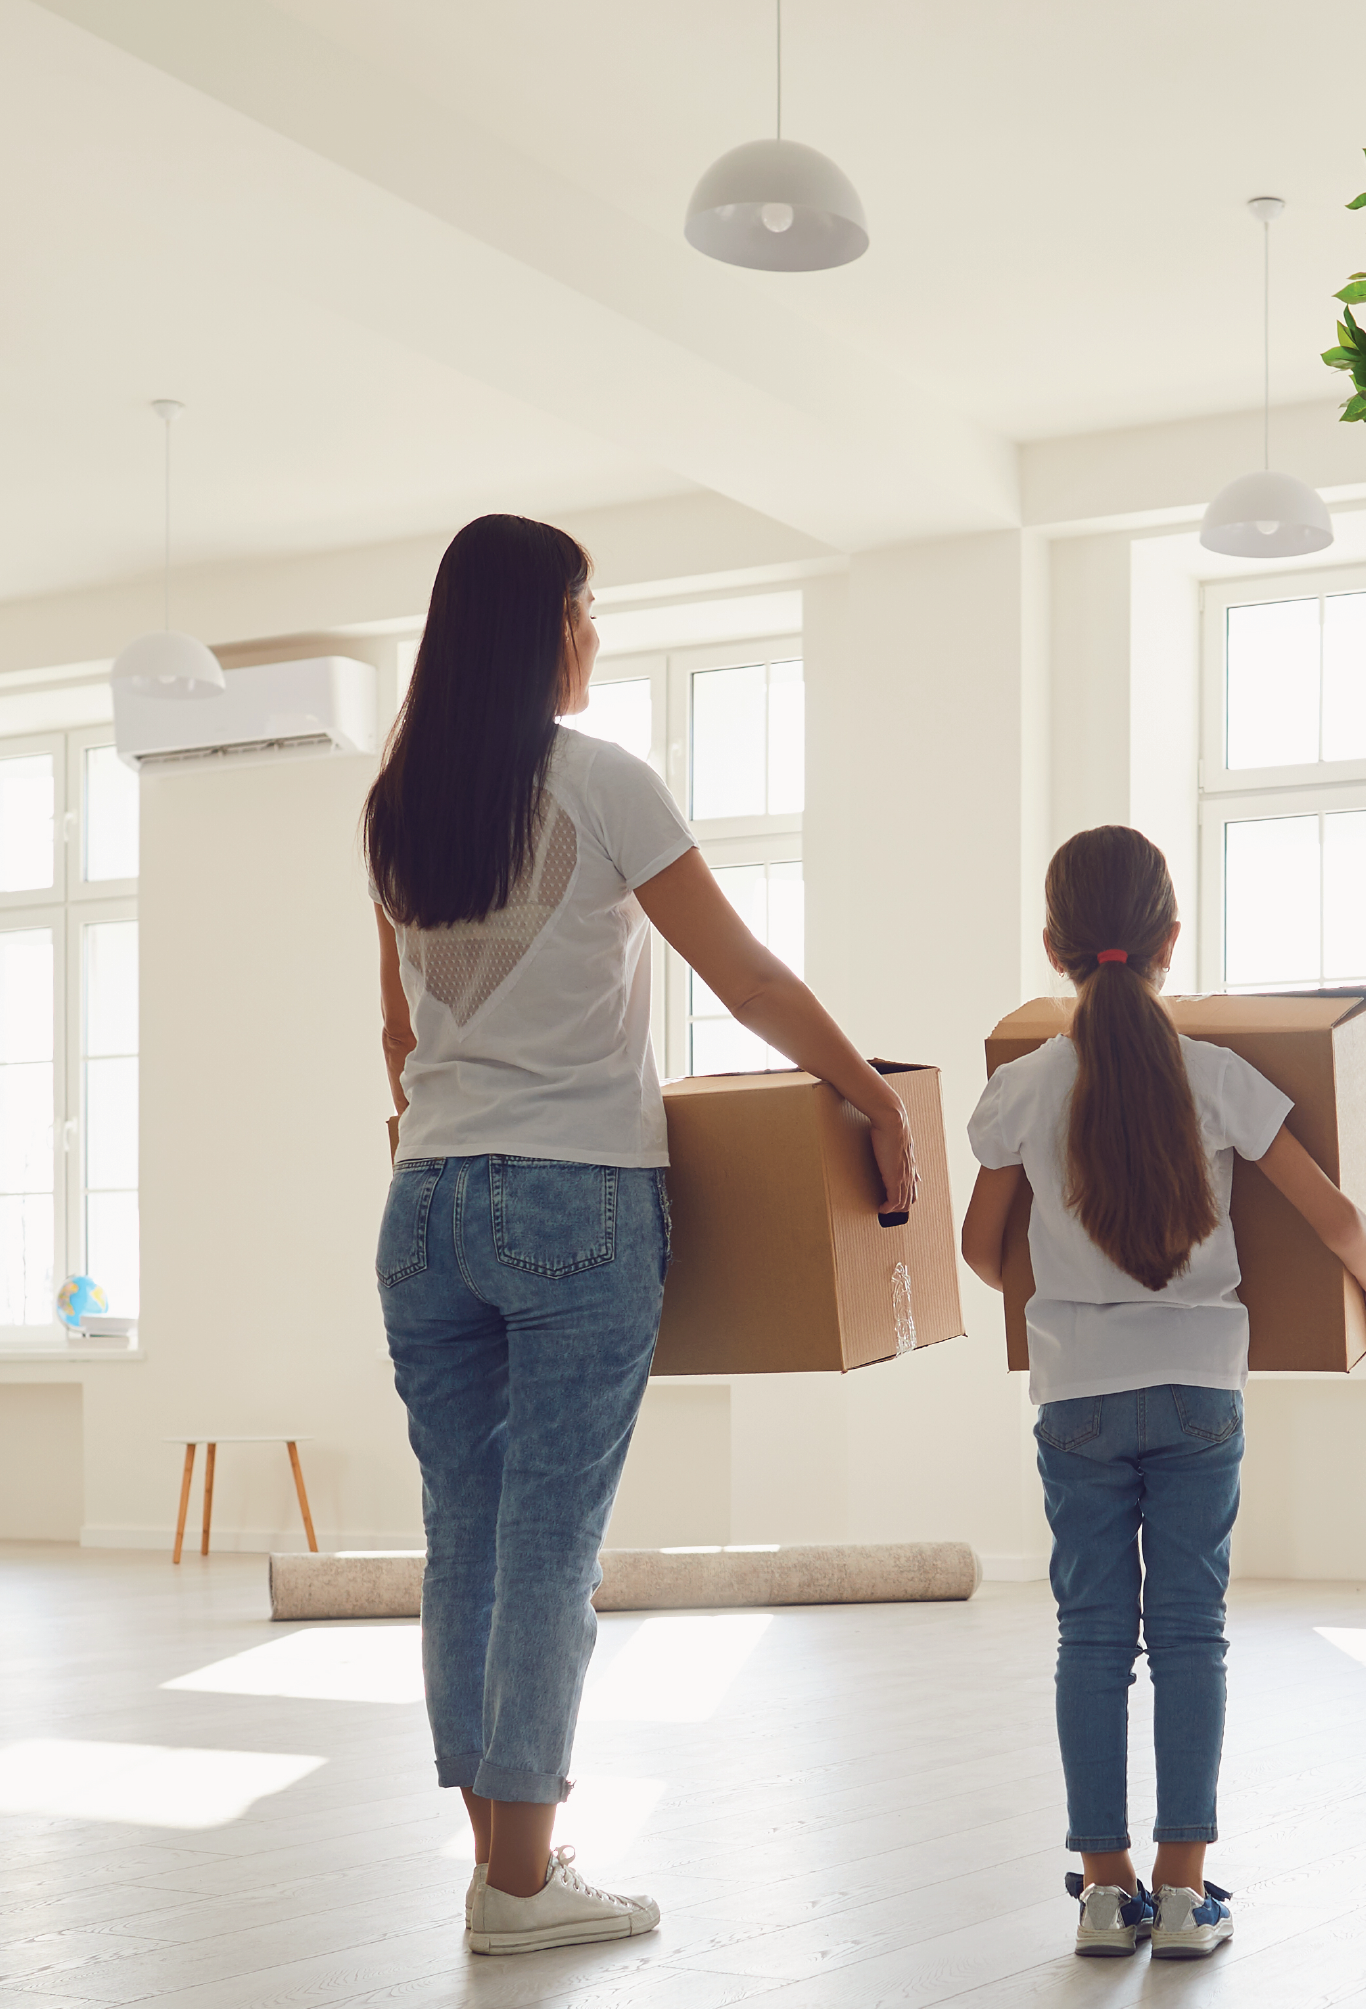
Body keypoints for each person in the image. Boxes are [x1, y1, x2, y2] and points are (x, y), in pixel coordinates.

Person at [365, 512, 918, 1956]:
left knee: (464, 1540)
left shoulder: (398, 803)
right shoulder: (601, 784)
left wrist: (445, 1131)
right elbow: (737, 978)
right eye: (587, 606)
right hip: (573, 1200)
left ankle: (507, 1874)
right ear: (540, 624)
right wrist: (869, 1096)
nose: (594, 631)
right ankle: (523, 1883)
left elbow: (395, 1034)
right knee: (548, 1543)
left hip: (422, 1202)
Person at [959, 825, 1366, 1963]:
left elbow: (977, 1246)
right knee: (1192, 1635)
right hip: (1202, 1386)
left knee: (1092, 1634)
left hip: (1078, 1397)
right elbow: (1336, 1216)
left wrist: (1059, 1272)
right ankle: (1186, 1888)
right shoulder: (1218, 1077)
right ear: (1169, 941)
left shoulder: (1023, 1087)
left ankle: (1106, 1892)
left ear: (1054, 945)